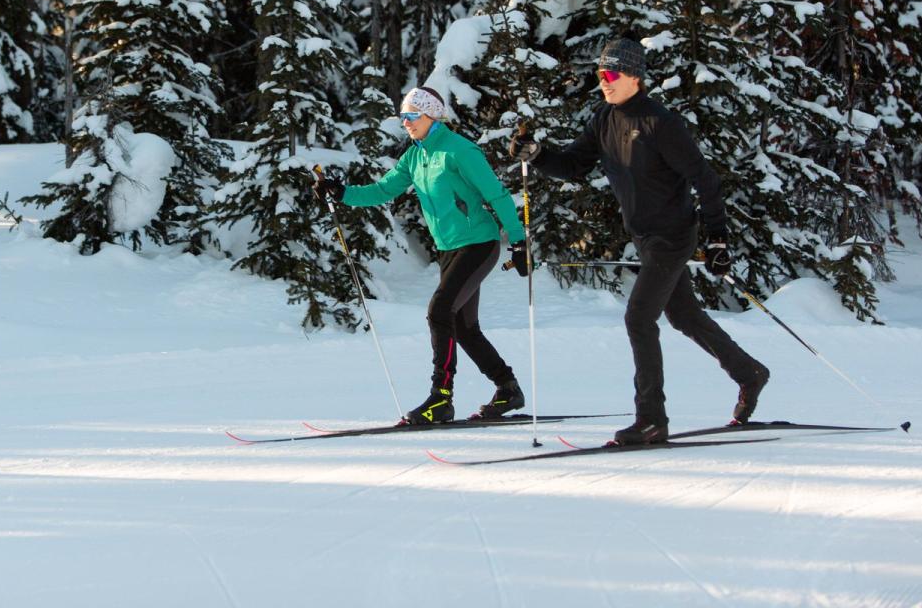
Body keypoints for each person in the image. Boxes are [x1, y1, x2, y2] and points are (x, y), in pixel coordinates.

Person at [510, 36, 769, 444]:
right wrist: (539, 154)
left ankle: (652, 419)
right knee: (683, 316)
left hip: (673, 236)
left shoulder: (660, 123)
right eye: (600, 75)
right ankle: (749, 373)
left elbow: (706, 179)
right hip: (646, 238)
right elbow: (574, 166)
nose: (605, 82)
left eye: (611, 74)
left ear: (635, 77)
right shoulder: (603, 120)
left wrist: (717, 239)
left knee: (638, 318)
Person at [314, 86, 531, 425]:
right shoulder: (414, 156)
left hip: (479, 243)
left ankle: (440, 398)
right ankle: (507, 387)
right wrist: (341, 193)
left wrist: (518, 242)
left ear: (432, 115)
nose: (406, 123)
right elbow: (384, 190)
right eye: (403, 117)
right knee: (463, 326)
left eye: (412, 116)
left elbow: (498, 194)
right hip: (448, 249)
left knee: (439, 311)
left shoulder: (460, 151)